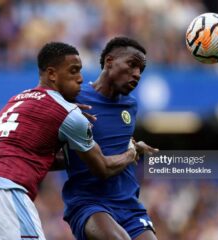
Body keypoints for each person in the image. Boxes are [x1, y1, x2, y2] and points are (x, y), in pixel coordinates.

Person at [0, 42, 137, 240]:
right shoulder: (68, 113)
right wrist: (131, 152)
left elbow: (34, 155)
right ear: (52, 74)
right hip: (5, 194)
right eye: (73, 71)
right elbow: (102, 168)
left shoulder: (17, 99)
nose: (80, 79)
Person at [62, 37, 159, 240]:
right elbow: (56, 154)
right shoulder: (75, 99)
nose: (137, 74)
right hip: (89, 202)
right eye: (132, 65)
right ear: (109, 61)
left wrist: (134, 147)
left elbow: (115, 143)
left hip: (128, 205)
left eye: (141, 69)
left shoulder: (130, 105)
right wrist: (131, 152)